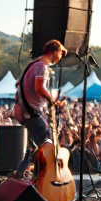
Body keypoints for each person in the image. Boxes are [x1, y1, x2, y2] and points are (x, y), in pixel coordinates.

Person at [12, 40, 66, 178]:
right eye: (60, 53)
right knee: (47, 146)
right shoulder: (42, 66)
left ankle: (19, 174)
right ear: (54, 52)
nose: (60, 57)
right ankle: (43, 181)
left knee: (32, 150)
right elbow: (39, 87)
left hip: (27, 114)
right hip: (34, 113)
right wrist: (52, 101)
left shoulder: (32, 65)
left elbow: (18, 83)